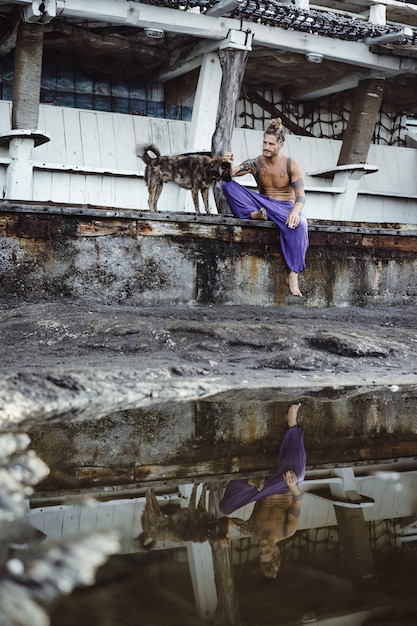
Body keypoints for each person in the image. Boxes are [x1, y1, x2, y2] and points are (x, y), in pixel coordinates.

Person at [222, 118, 308, 297]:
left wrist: (294, 213)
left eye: (271, 144)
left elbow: (300, 196)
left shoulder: (291, 164)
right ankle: (254, 215)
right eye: (264, 142)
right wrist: (227, 163)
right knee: (227, 186)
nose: (266, 147)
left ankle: (293, 275)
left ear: (281, 145)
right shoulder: (256, 163)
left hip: (285, 206)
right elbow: (229, 175)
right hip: (262, 203)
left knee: (300, 225)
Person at [220, 403, 306, 578]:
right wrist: (292, 486)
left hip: (259, 489)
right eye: (267, 551)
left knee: (225, 507)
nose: (262, 548)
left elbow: (226, 520)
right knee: (299, 475)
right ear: (276, 552)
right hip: (282, 487)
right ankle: (292, 423)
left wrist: (224, 532)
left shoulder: (253, 531)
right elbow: (298, 498)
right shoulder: (287, 530)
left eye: (261, 552)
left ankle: (249, 480)